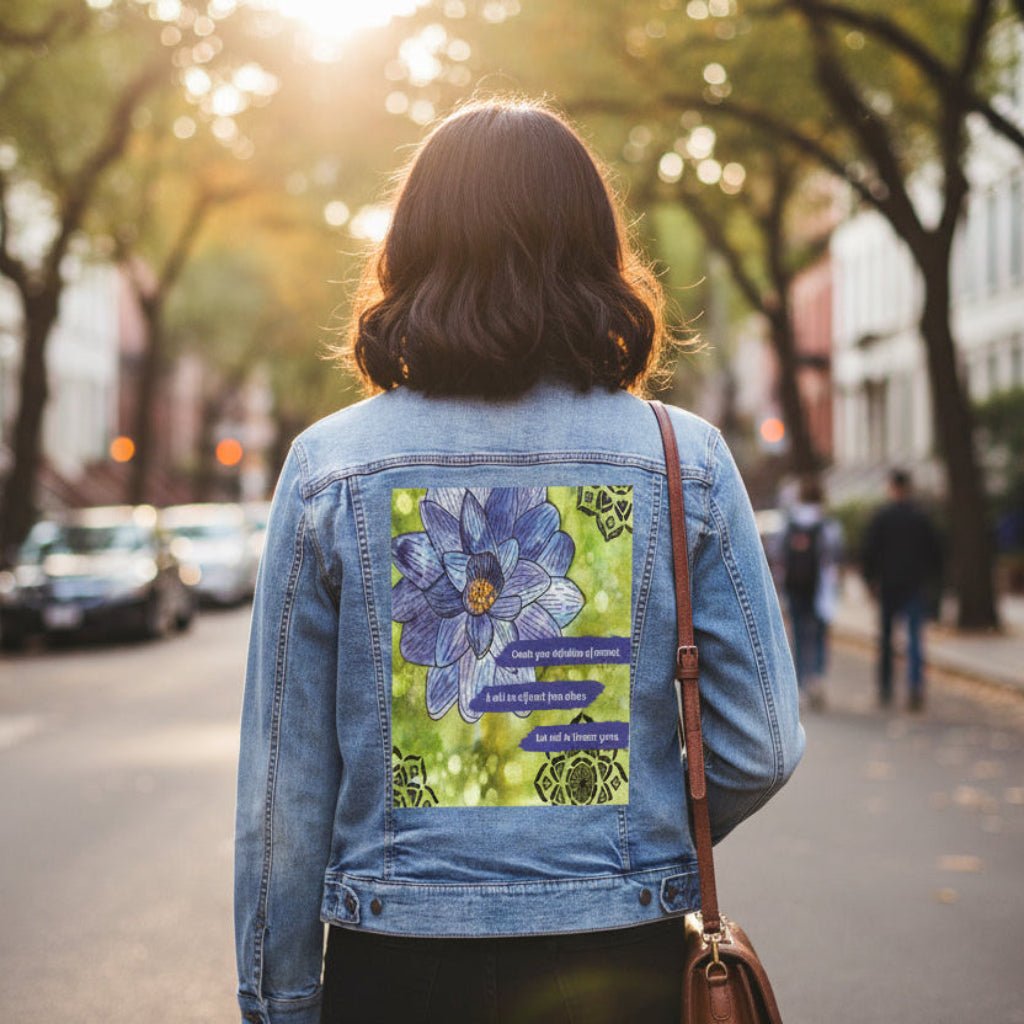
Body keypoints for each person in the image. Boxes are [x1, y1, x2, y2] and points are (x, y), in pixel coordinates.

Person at [233, 99, 804, 1024]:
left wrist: (280, 1002)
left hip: (396, 967)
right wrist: (643, 833)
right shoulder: (679, 460)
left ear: (410, 252)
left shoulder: (330, 468)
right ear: (593, 252)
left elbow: (282, 791)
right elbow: (761, 744)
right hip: (619, 959)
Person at [861, 468, 943, 711]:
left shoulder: (882, 517)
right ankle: (915, 685)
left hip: (888, 585)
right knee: (915, 639)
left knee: (887, 639)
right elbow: (935, 552)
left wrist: (870, 580)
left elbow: (869, 551)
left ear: (892, 488)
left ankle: (886, 686)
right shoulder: (921, 517)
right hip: (914, 584)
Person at [781, 477, 842, 710]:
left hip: (795, 586)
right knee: (817, 634)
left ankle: (799, 683)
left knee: (797, 634)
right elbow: (836, 553)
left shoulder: (791, 522)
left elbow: (779, 553)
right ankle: (816, 676)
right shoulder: (827, 523)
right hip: (820, 588)